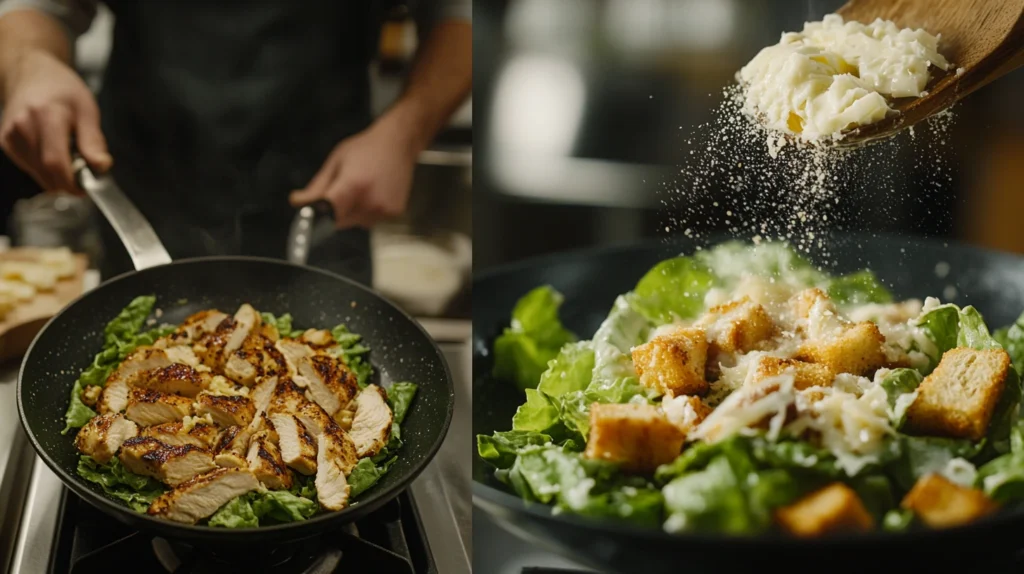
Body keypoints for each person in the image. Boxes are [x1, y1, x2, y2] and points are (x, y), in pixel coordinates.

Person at [0, 0, 471, 284]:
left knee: (330, 354)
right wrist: (29, 64)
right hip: (146, 177)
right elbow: (36, 8)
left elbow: (465, 16)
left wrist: (405, 132)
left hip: (327, 190)